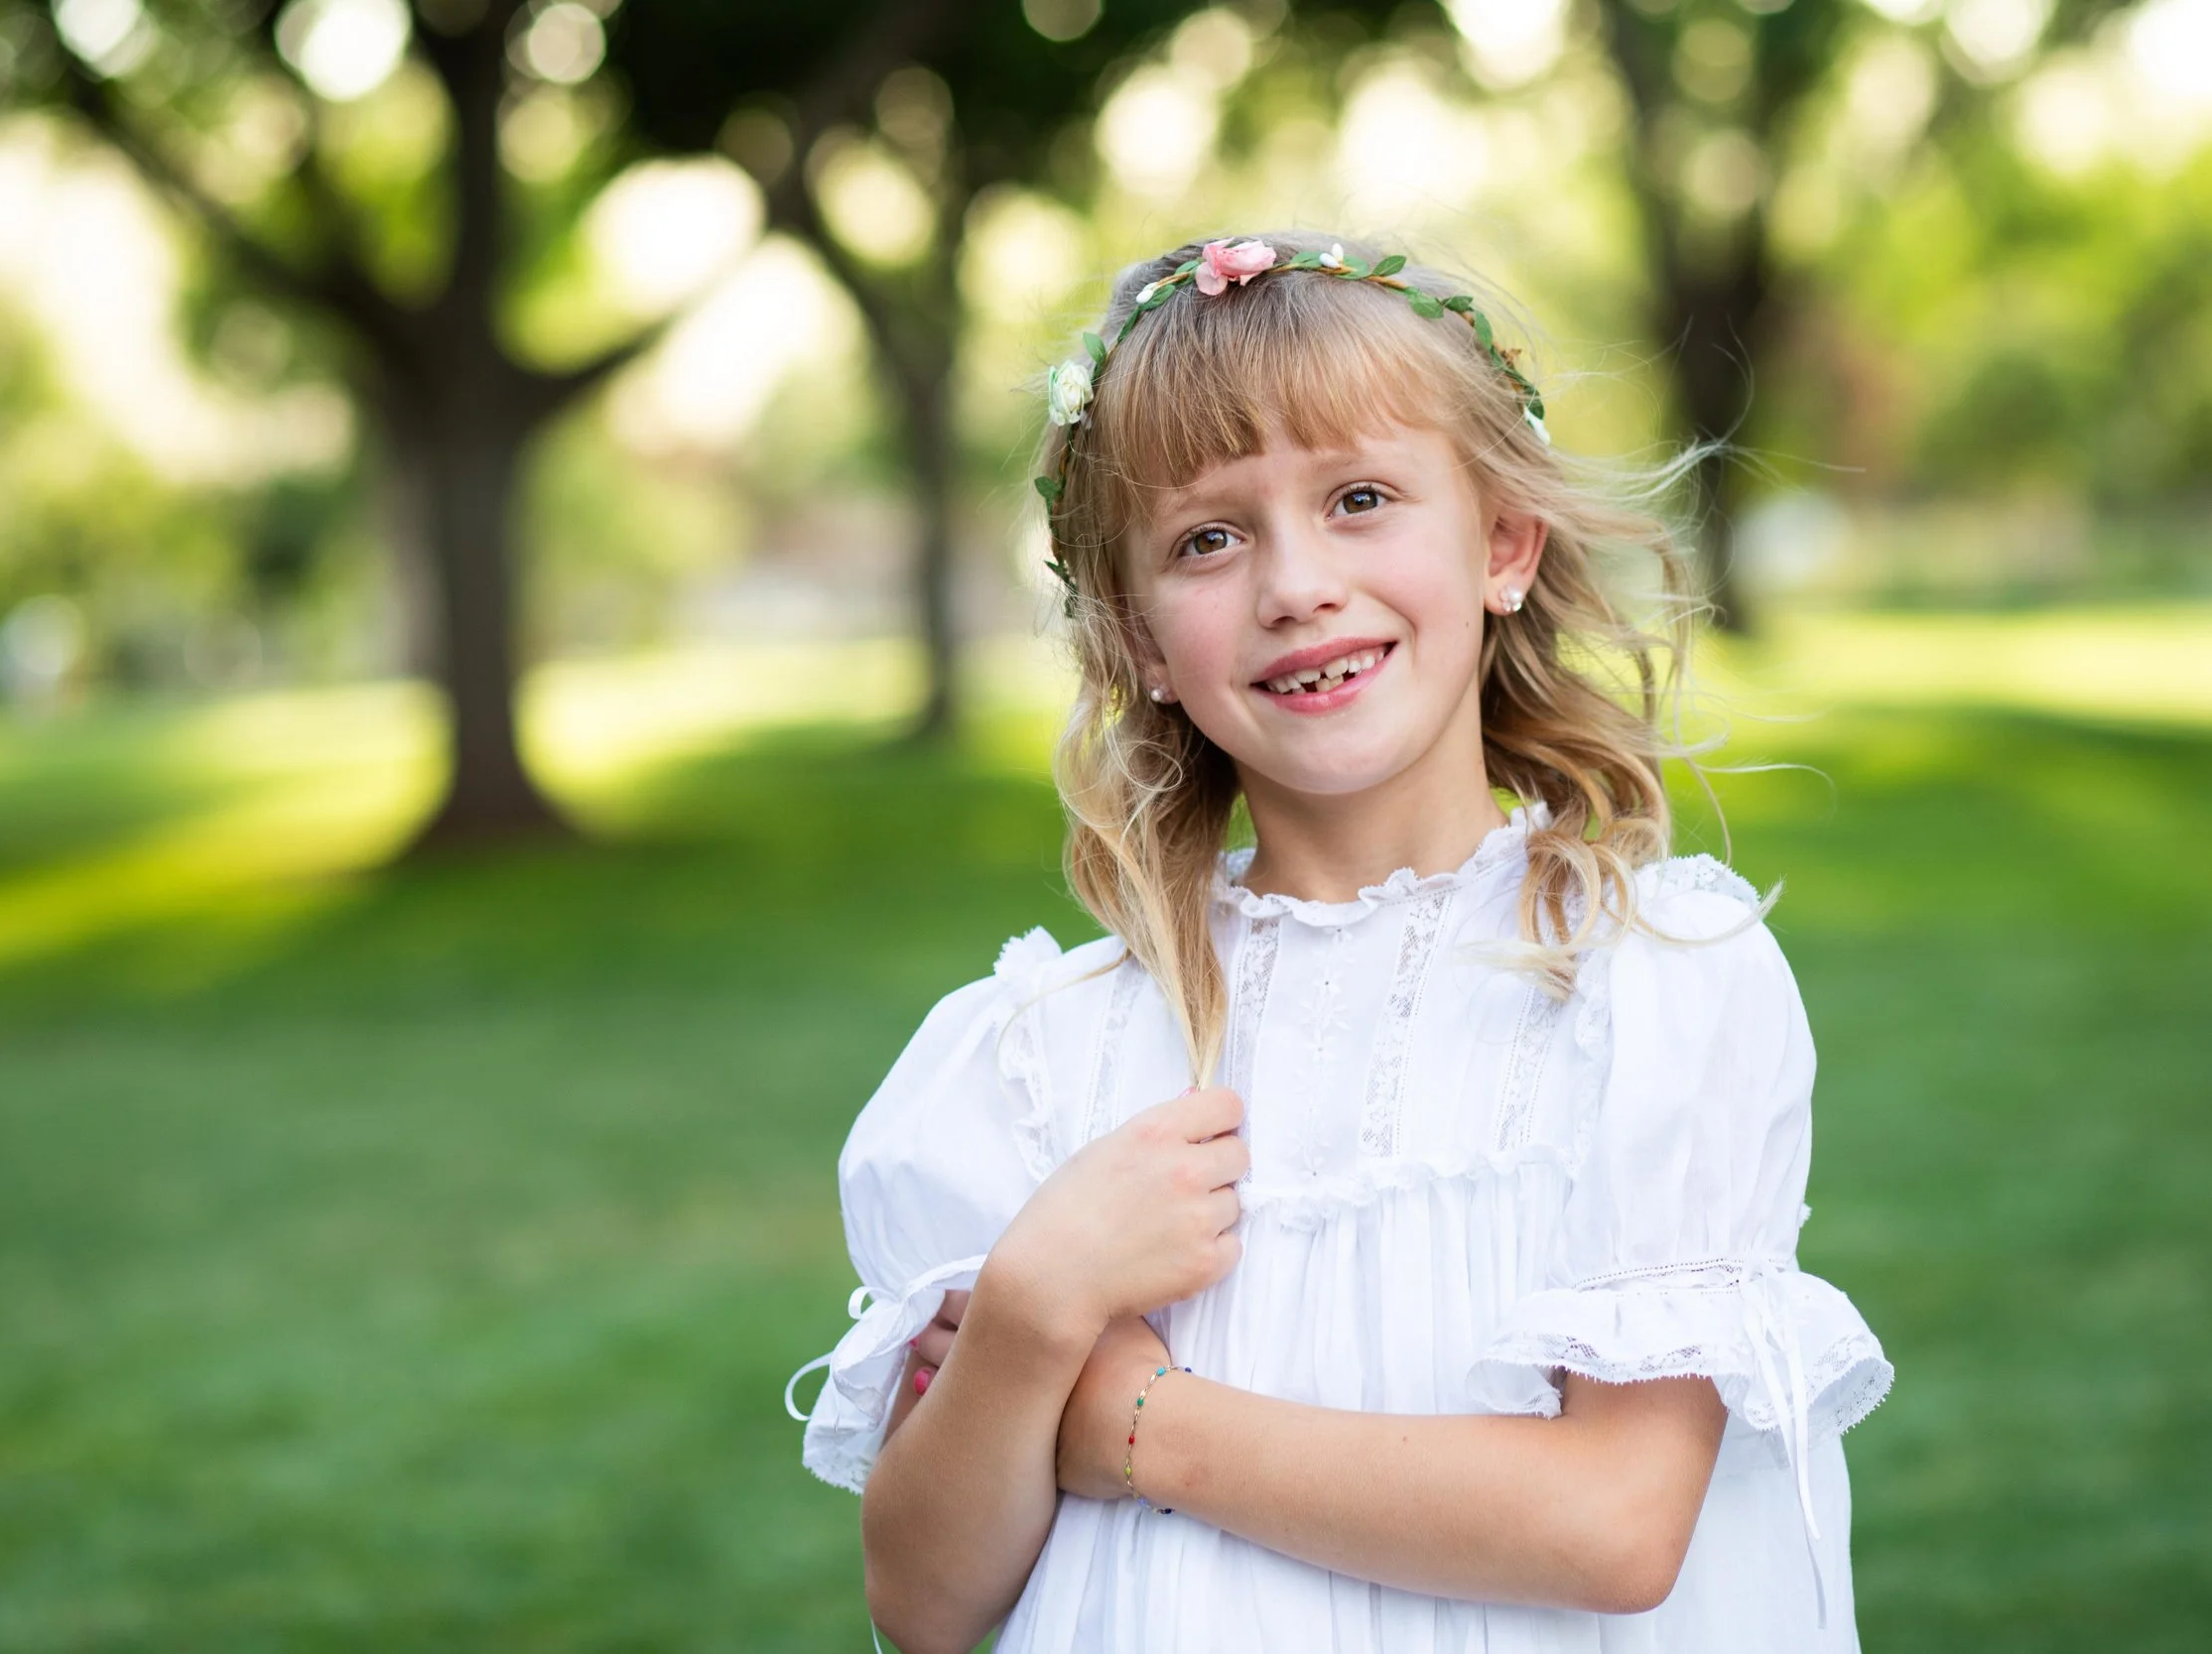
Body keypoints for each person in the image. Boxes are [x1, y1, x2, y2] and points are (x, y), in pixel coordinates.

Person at [782, 233, 1891, 1654]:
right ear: (1134, 636)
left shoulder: (1650, 977)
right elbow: (925, 1607)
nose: (1294, 583)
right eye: (1207, 537)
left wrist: (1135, 1417)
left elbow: (1613, 1522)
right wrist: (1030, 1311)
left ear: (1502, 541)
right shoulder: (1034, 1062)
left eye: (1359, 498)